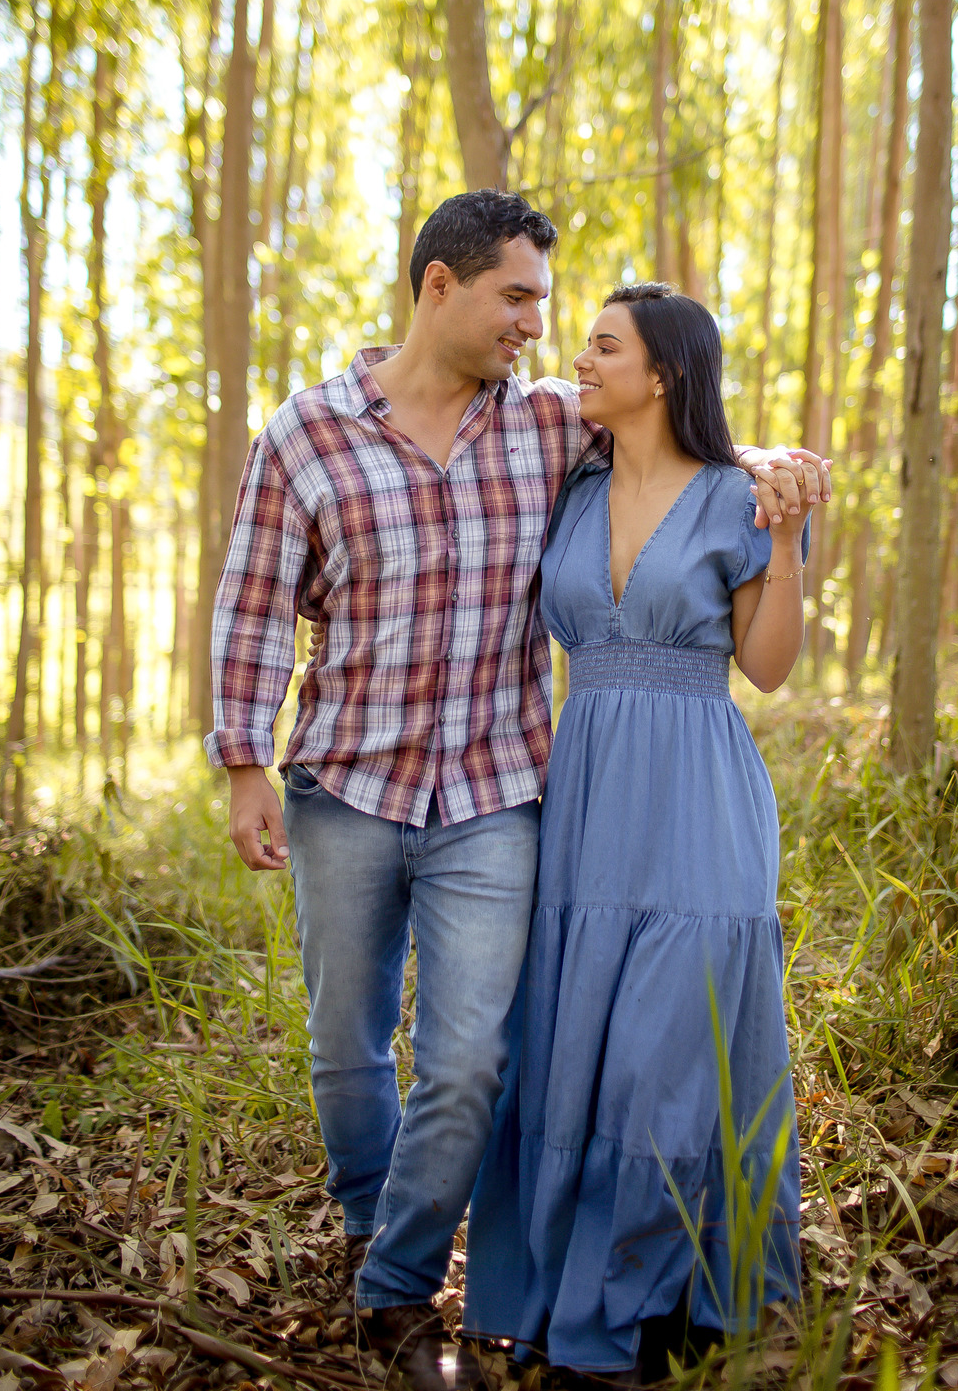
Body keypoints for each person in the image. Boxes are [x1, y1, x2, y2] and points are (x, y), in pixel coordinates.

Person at [205, 192, 829, 1391]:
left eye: (553, 307)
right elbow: (254, 604)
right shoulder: (307, 435)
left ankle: (402, 1287)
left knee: (475, 1061)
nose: (539, 329)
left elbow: (686, 449)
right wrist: (244, 765)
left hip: (499, 791)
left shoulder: (543, 425)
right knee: (347, 1047)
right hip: (353, 782)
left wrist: (765, 467)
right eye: (520, 297)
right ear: (441, 285)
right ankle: (372, 1225)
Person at [463, 283, 815, 1383]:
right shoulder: (568, 485)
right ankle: (582, 1294)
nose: (580, 357)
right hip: (586, 802)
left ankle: (650, 1303)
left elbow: (767, 668)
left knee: (668, 1054)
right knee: (581, 1049)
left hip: (700, 797)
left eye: (604, 346)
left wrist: (788, 536)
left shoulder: (739, 498)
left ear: (663, 374)